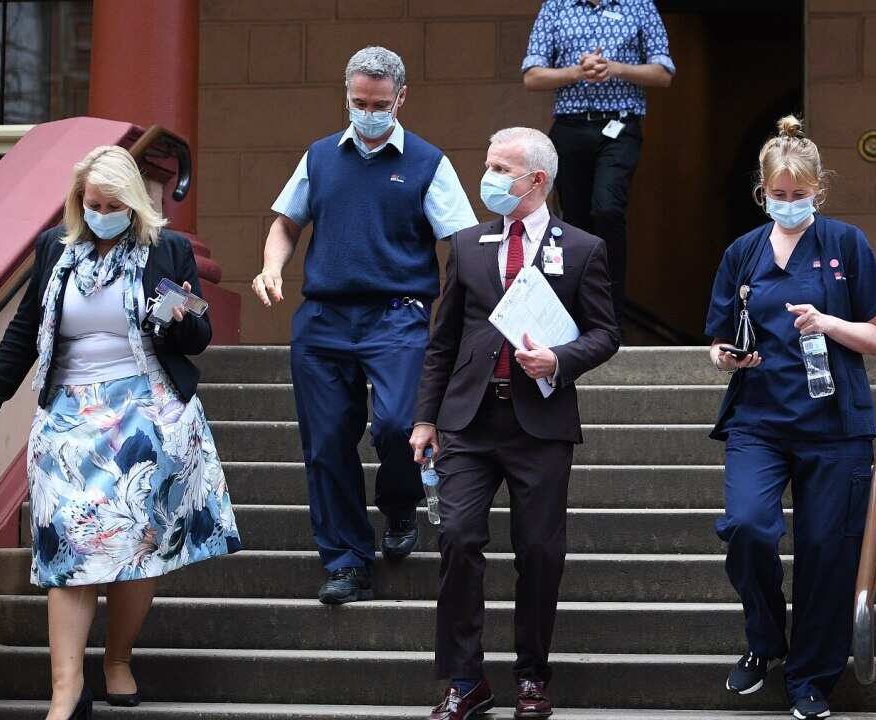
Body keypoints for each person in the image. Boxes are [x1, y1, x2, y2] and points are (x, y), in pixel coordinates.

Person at [0, 145, 241, 720]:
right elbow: (23, 329)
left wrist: (183, 321)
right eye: (92, 203)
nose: (101, 213)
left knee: (136, 540)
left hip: (147, 410)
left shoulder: (167, 251)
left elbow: (199, 336)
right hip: (68, 415)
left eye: (113, 204)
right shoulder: (54, 251)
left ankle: (117, 658)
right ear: (78, 202)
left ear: (135, 204)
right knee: (66, 539)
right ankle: (65, 693)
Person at [253, 46, 477, 605]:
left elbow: (463, 243)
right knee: (326, 443)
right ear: (346, 96)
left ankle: (399, 505)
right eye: (358, 102)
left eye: (379, 103)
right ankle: (347, 561)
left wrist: (455, 309)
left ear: (401, 99)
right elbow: (285, 223)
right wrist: (270, 267)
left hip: (398, 316)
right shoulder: (320, 156)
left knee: (400, 424)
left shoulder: (428, 162)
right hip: (324, 318)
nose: (368, 111)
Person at [411, 127, 619, 720]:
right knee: (457, 539)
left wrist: (560, 359)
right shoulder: (470, 244)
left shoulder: (581, 248)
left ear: (536, 181)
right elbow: (443, 338)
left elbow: (606, 333)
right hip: (469, 420)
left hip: (540, 420)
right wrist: (425, 418)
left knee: (539, 550)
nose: (488, 176)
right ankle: (464, 679)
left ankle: (531, 674)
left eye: (500, 167)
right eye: (488, 163)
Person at [704, 116, 876, 720]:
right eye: (778, 196)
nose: (789, 204)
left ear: (819, 191)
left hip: (835, 426)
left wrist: (827, 322)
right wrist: (729, 358)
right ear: (763, 193)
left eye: (799, 195)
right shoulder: (743, 252)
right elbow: (714, 345)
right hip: (758, 419)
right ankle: (764, 641)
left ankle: (811, 678)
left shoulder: (845, 245)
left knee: (826, 551)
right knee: (748, 526)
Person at [521, 0, 675, 322]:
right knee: (573, 221)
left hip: (620, 126)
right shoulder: (556, 7)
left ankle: (612, 316)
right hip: (570, 125)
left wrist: (614, 68)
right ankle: (576, 313)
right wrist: (577, 72)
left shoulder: (639, 6)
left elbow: (663, 72)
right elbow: (532, 77)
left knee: (607, 209)